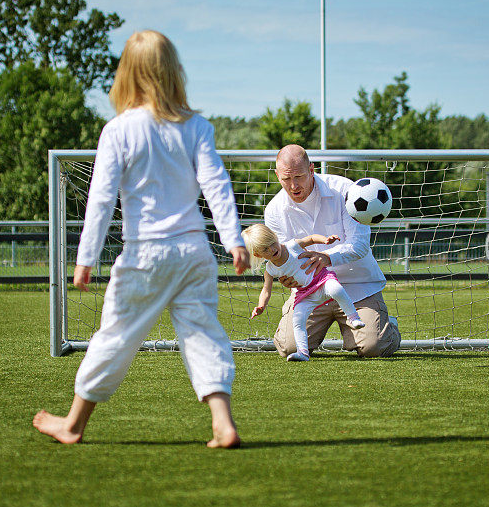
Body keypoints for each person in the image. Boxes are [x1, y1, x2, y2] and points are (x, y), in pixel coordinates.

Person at [32, 30, 250, 448]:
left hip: (145, 256)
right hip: (194, 252)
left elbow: (100, 200)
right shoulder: (197, 127)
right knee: (204, 334)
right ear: (174, 73)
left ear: (126, 74)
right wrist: (233, 240)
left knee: (114, 336)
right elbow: (216, 185)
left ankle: (73, 425)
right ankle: (222, 423)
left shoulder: (117, 131)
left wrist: (85, 258)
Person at [264, 144, 400, 358]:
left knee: (375, 347)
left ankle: (386, 326)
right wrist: (285, 276)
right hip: (308, 290)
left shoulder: (347, 191)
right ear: (277, 175)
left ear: (312, 169)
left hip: (357, 287)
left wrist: (327, 257)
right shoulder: (273, 211)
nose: (293, 186)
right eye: (286, 179)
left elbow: (360, 246)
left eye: (299, 176)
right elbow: (283, 258)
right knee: (288, 348)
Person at [242, 223, 366, 362]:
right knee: (298, 320)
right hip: (305, 294)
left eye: (272, 243)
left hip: (322, 281)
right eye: (265, 249)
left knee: (336, 289)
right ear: (258, 254)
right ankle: (303, 352)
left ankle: (353, 317)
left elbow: (311, 238)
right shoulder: (270, 270)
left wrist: (325, 240)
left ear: (275, 237)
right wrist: (261, 306)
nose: (272, 249)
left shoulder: (292, 246)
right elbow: (266, 290)